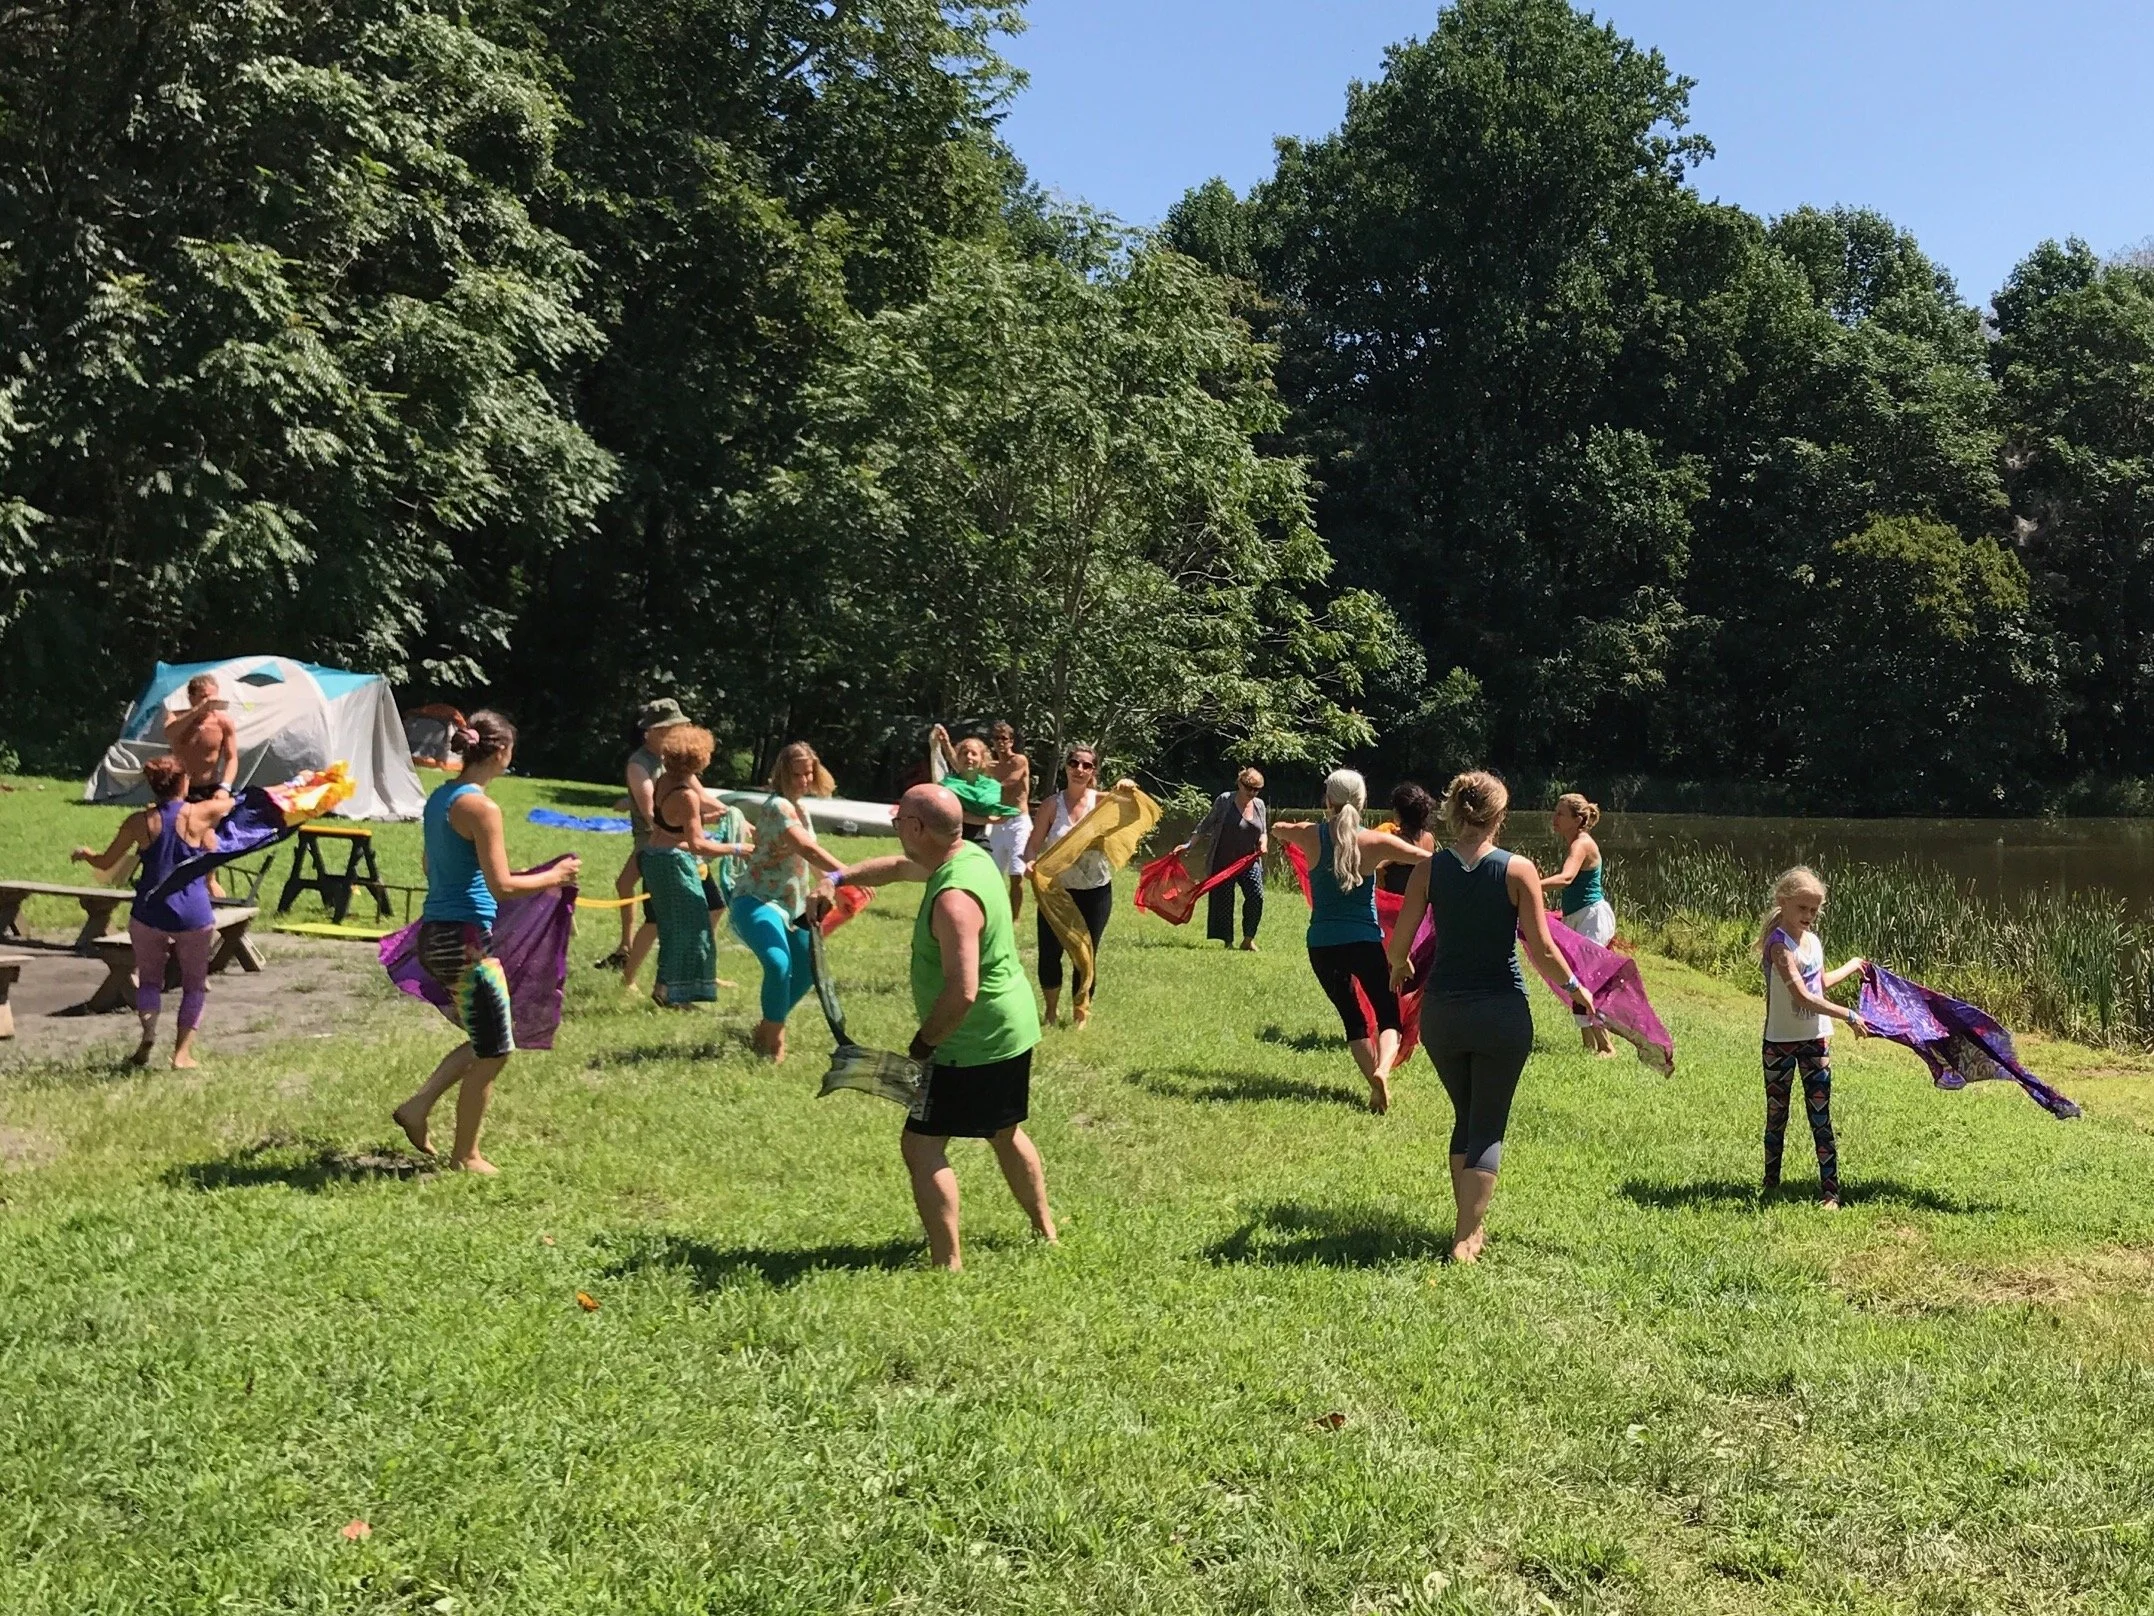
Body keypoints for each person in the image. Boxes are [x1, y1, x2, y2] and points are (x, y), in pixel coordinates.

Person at [830, 783, 1054, 1271]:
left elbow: (962, 990)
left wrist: (923, 1043)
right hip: (1011, 1027)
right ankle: (1046, 1231)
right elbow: (895, 867)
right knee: (1004, 1130)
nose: (896, 831)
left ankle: (946, 1263)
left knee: (922, 1144)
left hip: (969, 1039)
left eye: (899, 823)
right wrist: (834, 878)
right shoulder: (970, 856)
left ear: (916, 827)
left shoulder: (953, 899)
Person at [1387, 771, 1592, 1263]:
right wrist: (1575, 989)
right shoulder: (1518, 870)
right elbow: (1542, 947)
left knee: (1467, 1117)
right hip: (1501, 1013)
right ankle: (1465, 1236)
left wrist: (1399, 965)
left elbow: (1400, 943)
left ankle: (1467, 1225)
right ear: (1500, 816)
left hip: (1444, 1016)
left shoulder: (1427, 870)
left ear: (1454, 812)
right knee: (1487, 1125)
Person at [392, 712, 580, 1174]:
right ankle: (465, 1154)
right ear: (500, 752)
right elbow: (501, 886)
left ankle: (418, 1108)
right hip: (463, 941)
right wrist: (553, 876)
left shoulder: (442, 798)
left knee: (488, 1040)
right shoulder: (481, 807)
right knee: (494, 1047)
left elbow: (427, 862)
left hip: (442, 934)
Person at [1272, 770, 1431, 1113]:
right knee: (1389, 1017)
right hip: (1365, 943)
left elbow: (1277, 829)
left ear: (1327, 801)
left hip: (1322, 946)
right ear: (1362, 802)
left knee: (1353, 1018)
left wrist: (1289, 833)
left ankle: (1373, 1084)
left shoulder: (1309, 835)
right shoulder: (1375, 842)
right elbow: (1427, 859)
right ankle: (1382, 1070)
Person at [71, 754, 238, 1068]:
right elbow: (235, 808)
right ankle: (182, 1054)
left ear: (152, 786)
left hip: (149, 911)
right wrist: (223, 793)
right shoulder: (201, 813)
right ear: (185, 782)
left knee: (148, 981)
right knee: (194, 983)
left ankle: (148, 1034)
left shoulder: (139, 822)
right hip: (192, 912)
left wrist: (86, 854)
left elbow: (107, 863)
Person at [1758, 866, 1870, 1210]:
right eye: (1802, 908)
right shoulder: (1779, 945)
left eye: (1814, 910)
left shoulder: (1814, 942)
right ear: (1783, 902)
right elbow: (1801, 998)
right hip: (1778, 1042)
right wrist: (1848, 1014)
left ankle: (1831, 1193)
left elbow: (1817, 985)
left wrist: (1854, 964)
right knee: (1777, 1114)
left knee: (1820, 1116)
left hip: (1816, 1041)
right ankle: (1770, 1182)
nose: (1808, 916)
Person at [729, 740, 847, 1061]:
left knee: (808, 972)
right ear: (782, 774)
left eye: (809, 773)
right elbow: (807, 849)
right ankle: (775, 1040)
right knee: (779, 964)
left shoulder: (801, 810)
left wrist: (830, 885)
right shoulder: (777, 807)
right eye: (797, 774)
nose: (804, 780)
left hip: (793, 907)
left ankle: (765, 1028)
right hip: (757, 900)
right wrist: (849, 873)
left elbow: (807, 860)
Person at [643, 725, 753, 1007]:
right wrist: (739, 848)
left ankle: (662, 991)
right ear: (699, 760)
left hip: (653, 858)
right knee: (692, 930)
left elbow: (671, 821)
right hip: (673, 864)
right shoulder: (687, 795)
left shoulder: (664, 781)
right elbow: (698, 845)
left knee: (671, 928)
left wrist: (717, 818)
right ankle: (676, 997)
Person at [1022, 745, 1115, 1028]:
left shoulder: (1102, 803)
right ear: (1066, 767)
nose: (1080, 769)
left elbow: (1132, 808)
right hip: (1056, 893)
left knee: (1086, 954)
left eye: (1087, 765)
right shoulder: (1052, 805)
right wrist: (1029, 863)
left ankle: (1080, 1014)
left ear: (1094, 771)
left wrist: (1126, 787)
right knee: (1050, 954)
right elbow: (1032, 847)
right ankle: (1050, 1012)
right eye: (1074, 763)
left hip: (1096, 891)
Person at [603, 699, 686, 983]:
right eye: (667, 729)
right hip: (653, 839)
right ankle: (627, 952)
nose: (674, 734)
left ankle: (630, 953)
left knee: (645, 903)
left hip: (655, 841)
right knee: (630, 889)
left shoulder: (670, 758)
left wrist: (726, 812)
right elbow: (651, 807)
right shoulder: (641, 762)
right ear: (650, 731)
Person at [1540, 792, 1618, 1056]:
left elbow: (1566, 878)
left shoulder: (1581, 843)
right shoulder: (1575, 841)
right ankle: (1588, 1044)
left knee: (1584, 981)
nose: (1555, 818)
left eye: (1561, 814)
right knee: (1573, 977)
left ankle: (1607, 1047)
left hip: (1592, 917)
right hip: (1578, 916)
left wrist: (1529, 884)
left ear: (1577, 819)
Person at [1179, 767, 1268, 951]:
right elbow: (1206, 824)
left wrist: (1263, 843)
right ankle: (1227, 942)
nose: (1252, 793)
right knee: (1224, 901)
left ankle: (1248, 939)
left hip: (1248, 861)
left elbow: (1263, 831)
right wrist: (1189, 845)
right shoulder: (1225, 800)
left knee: (1256, 896)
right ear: (1239, 783)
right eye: (1249, 788)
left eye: (1257, 789)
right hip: (1223, 859)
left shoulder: (1259, 805)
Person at [930, 725, 1015, 848]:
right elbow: (956, 815)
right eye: (965, 753)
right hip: (949, 844)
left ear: (982, 760)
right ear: (958, 758)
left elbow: (997, 810)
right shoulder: (948, 785)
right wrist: (992, 820)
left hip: (979, 842)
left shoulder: (991, 787)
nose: (969, 757)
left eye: (974, 754)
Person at [985, 721, 1032, 919]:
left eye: (1004, 738)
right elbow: (961, 765)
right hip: (998, 824)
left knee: (1016, 875)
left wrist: (982, 787)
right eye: (996, 739)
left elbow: (1009, 783)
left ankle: (1014, 919)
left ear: (1011, 741)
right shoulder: (992, 767)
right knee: (993, 875)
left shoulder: (1019, 761)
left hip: (1018, 823)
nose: (1000, 742)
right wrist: (943, 744)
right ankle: (994, 915)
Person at [166, 674, 239, 800]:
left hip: (208, 787)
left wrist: (225, 787)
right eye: (204, 697)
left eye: (213, 697)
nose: (209, 701)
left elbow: (231, 758)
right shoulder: (176, 717)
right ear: (191, 698)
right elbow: (169, 733)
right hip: (177, 787)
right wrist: (198, 710)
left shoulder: (223, 722)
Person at [1377, 782, 1437, 894]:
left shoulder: (1399, 842)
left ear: (1399, 813)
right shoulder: (1429, 837)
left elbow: (1374, 865)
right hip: (1419, 902)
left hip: (1396, 904)